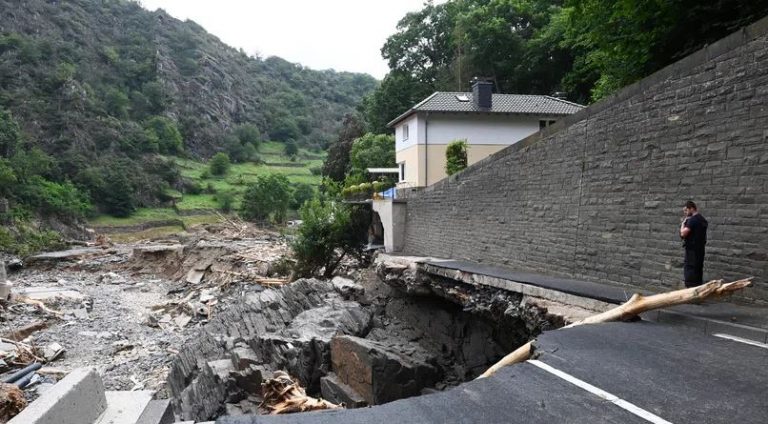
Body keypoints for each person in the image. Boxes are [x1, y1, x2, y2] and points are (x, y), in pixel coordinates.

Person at [679, 200, 708, 287]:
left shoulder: (692, 220)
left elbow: (683, 234)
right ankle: (698, 293)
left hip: (692, 251)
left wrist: (683, 224)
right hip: (700, 250)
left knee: (690, 272)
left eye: (686, 210)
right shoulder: (703, 220)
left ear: (691, 208)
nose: (685, 213)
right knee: (698, 271)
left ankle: (690, 294)